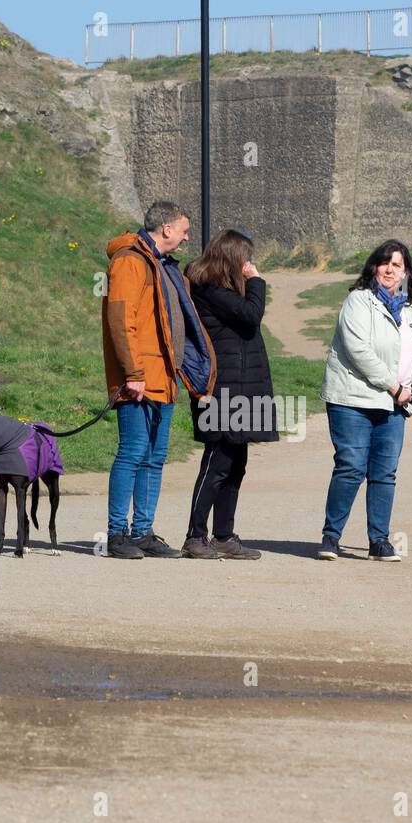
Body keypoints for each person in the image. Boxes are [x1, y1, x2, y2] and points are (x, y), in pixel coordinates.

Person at [318, 239, 412, 562]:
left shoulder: (411, 311)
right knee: (350, 467)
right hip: (353, 401)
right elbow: (358, 351)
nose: (390, 269)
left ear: (407, 272)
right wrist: (393, 386)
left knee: (384, 472)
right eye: (384, 263)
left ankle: (379, 541)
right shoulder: (358, 302)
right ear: (374, 267)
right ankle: (331, 538)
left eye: (397, 265)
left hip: (394, 406)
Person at [101, 201, 217, 558]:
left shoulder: (165, 267)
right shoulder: (130, 261)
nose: (185, 238)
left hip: (165, 378)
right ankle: (117, 533)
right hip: (138, 379)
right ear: (166, 229)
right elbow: (122, 321)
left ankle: (143, 532)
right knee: (133, 452)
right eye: (183, 230)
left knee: (155, 456)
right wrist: (132, 373)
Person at [181, 229, 276, 560]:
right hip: (221, 391)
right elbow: (251, 314)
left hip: (243, 388)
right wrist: (257, 281)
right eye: (245, 259)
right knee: (217, 461)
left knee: (236, 463)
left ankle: (223, 535)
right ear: (231, 259)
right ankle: (195, 535)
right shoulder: (209, 288)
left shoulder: (224, 289)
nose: (249, 265)